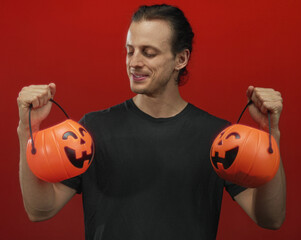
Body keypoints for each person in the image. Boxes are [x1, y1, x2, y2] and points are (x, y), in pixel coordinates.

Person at [17, 4, 286, 240]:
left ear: (181, 59)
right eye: (130, 50)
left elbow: (270, 219)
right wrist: (27, 132)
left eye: (148, 52)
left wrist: (270, 139)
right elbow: (40, 210)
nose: (134, 62)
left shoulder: (219, 137)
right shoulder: (92, 129)